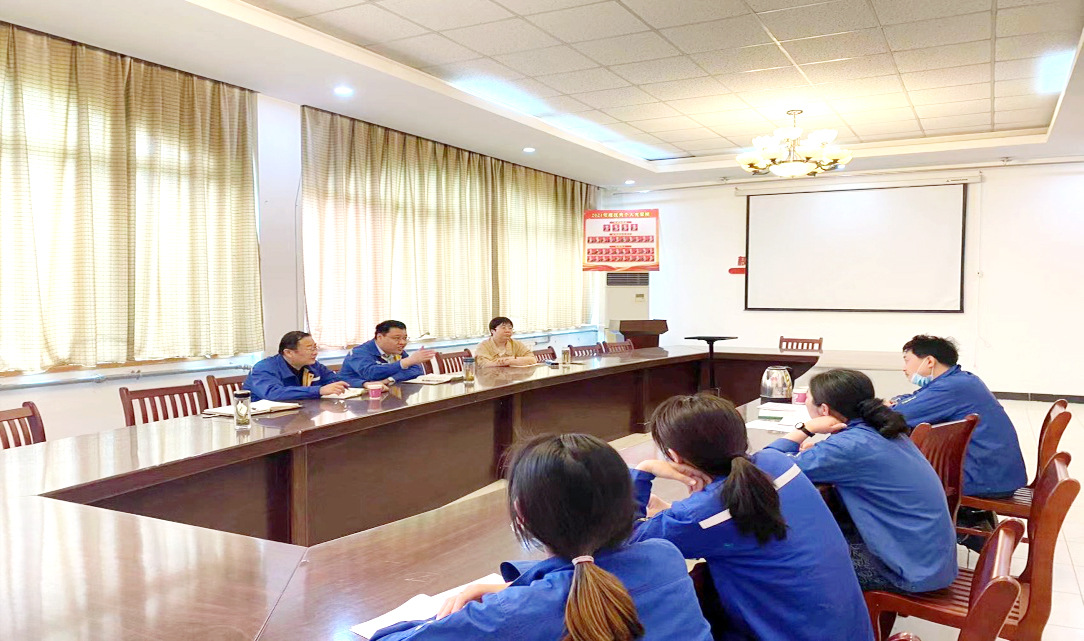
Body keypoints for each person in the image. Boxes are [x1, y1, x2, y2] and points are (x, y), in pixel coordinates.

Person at [370, 433, 713, 641]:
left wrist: (487, 605)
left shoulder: (515, 611)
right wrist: (511, 588)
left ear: (521, 512)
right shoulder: (665, 556)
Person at [628, 394, 872, 641]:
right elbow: (772, 455)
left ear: (674, 456)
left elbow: (628, 542)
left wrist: (644, 470)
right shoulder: (777, 463)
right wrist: (675, 512)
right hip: (849, 628)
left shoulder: (701, 514)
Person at [765, 369, 958, 593]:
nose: (806, 400)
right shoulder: (883, 431)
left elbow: (766, 466)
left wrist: (807, 428)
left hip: (905, 569)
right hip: (929, 560)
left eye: (808, 396)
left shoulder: (849, 446)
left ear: (824, 410)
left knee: (780, 562)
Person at [890, 335, 1027, 543]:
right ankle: (966, 522)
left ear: (929, 361)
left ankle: (949, 531)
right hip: (998, 472)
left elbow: (901, 413)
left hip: (985, 477)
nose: (904, 368)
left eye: (907, 360)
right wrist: (898, 402)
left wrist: (890, 405)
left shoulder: (951, 387)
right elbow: (916, 398)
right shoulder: (961, 380)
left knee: (898, 476)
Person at [243, 331, 349, 401]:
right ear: (289, 353)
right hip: (262, 420)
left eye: (315, 348)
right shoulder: (263, 368)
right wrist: (319, 390)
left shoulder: (313, 366)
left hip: (301, 414)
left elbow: (335, 380)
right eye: (310, 349)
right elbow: (273, 393)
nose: (315, 352)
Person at [340, 320, 437, 385]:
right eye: (397, 338)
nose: (402, 342)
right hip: (358, 399)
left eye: (404, 338)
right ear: (379, 337)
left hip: (388, 392)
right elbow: (371, 374)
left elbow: (416, 371)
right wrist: (405, 363)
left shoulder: (396, 351)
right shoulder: (359, 352)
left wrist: (390, 379)